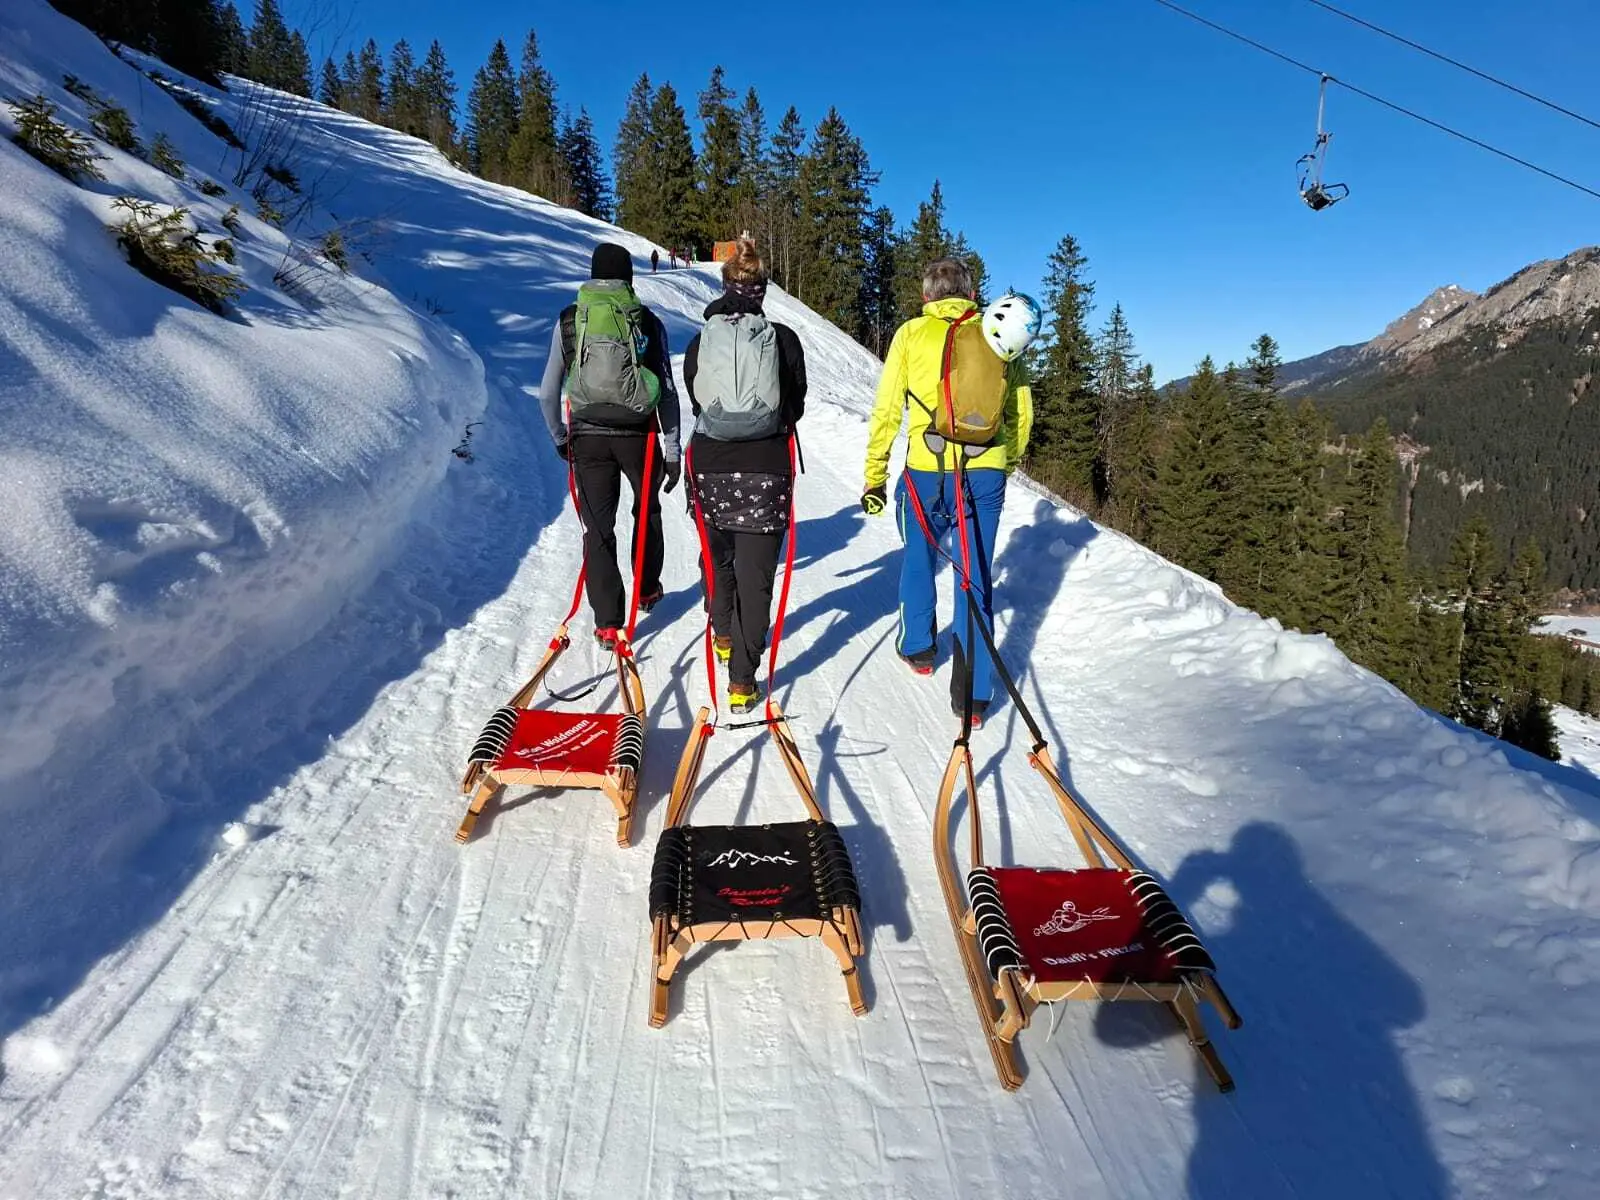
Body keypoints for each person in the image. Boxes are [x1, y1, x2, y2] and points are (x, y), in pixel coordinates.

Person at [861, 258, 1032, 728]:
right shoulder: (997, 336)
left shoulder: (913, 334)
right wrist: (1004, 463)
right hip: (985, 471)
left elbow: (887, 408)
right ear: (972, 294)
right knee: (975, 574)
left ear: (927, 296)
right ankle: (974, 698)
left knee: (920, 554)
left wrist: (875, 473)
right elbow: (1020, 412)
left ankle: (918, 647)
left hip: (927, 468)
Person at [683, 238, 807, 714]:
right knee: (757, 579)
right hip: (766, 469)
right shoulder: (783, 339)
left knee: (719, 559)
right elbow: (794, 404)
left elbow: (697, 400)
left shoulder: (701, 340)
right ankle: (741, 683)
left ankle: (721, 632)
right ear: (762, 291)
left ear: (724, 286)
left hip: (710, 465)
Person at [538, 241, 682, 647]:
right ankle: (648, 587)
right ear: (629, 278)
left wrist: (560, 438)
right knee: (646, 509)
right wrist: (672, 450)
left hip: (587, 436)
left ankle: (607, 621)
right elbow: (667, 392)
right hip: (640, 435)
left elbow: (547, 393)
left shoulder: (570, 321)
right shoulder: (647, 322)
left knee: (598, 527)